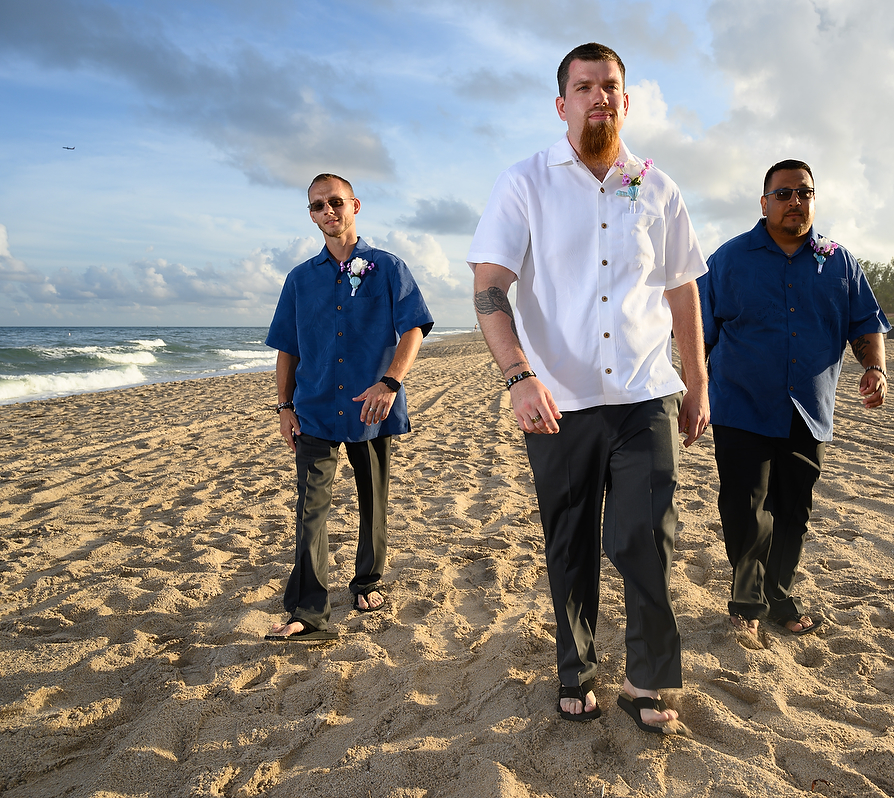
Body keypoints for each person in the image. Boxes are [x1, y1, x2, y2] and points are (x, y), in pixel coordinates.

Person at [467, 43, 709, 734]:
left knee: (647, 536)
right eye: (584, 87)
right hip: (558, 402)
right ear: (562, 103)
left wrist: (698, 381)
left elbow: (682, 289)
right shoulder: (524, 182)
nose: (599, 96)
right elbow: (489, 287)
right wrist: (519, 377)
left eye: (610, 86)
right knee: (569, 539)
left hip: (645, 393)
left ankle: (646, 678)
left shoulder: (658, 188)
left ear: (626, 102)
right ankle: (575, 667)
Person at [699, 159, 889, 638]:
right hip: (741, 404)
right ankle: (747, 603)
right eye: (783, 193)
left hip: (808, 406)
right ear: (764, 203)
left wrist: (875, 368)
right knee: (745, 509)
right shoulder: (728, 259)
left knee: (793, 511)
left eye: (804, 192)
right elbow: (698, 331)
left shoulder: (839, 262)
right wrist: (694, 391)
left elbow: (865, 321)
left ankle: (778, 595)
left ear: (813, 200)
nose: (794, 201)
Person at [264, 173, 434, 641]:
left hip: (371, 408)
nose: (328, 211)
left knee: (372, 500)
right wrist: (284, 406)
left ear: (354, 205)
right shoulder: (299, 279)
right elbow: (287, 347)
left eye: (335, 202)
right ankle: (309, 612)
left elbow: (413, 328)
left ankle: (367, 581)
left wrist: (390, 382)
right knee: (310, 510)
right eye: (318, 206)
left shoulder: (388, 267)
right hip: (314, 408)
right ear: (311, 215)